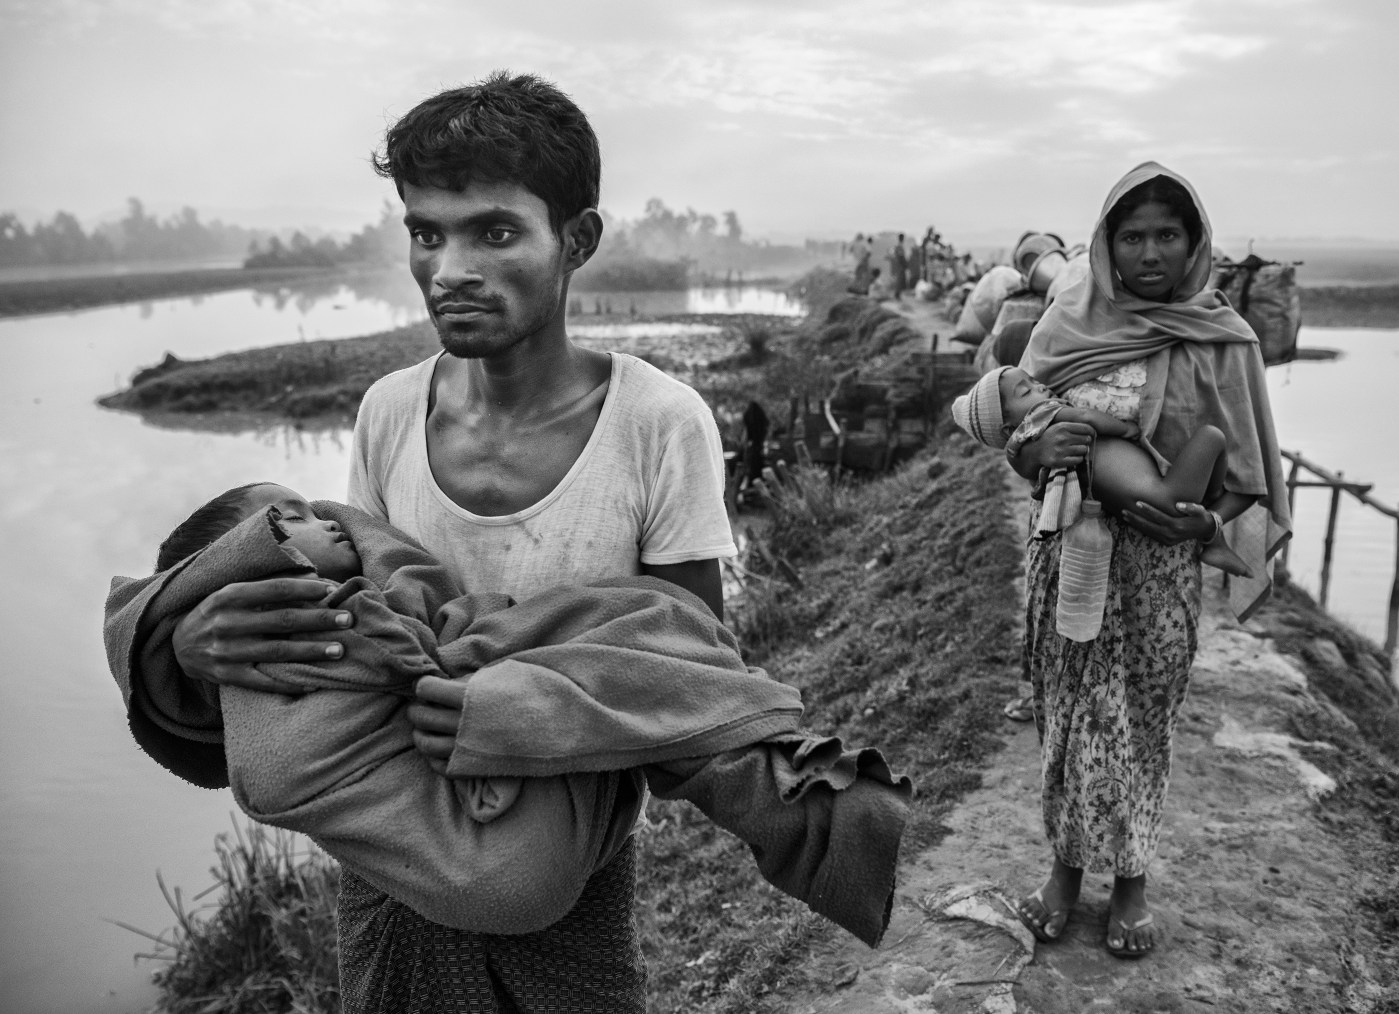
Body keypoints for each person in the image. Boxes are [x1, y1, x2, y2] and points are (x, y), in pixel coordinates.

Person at [126, 72, 739, 1011]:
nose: (449, 269)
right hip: (391, 872)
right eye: (425, 234)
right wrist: (196, 644)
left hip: (562, 871)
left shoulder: (657, 424)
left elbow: (693, 674)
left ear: (577, 240)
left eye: (494, 233)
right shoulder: (388, 412)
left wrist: (530, 710)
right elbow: (353, 622)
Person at [107, 482, 908, 948]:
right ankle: (804, 805)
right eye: (302, 517)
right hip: (473, 859)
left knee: (627, 643)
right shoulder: (299, 636)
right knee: (628, 625)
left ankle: (798, 806)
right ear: (267, 547)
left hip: (519, 868)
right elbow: (407, 663)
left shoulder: (656, 419)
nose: (335, 519)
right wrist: (180, 638)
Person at [1002, 163, 1290, 959]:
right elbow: (1017, 433)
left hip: (1161, 571)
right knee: (1067, 716)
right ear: (1108, 245)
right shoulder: (1067, 321)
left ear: (1195, 244)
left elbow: (1246, 475)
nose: (1151, 252)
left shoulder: (1223, 338)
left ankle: (1130, 882)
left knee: (1142, 722)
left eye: (1168, 235)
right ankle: (1064, 873)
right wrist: (1037, 452)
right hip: (1072, 551)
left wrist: (1206, 520)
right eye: (1133, 236)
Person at [951, 365, 1254, 576]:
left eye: (1032, 379)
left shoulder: (1028, 441)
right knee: (1213, 436)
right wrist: (1126, 429)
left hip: (1153, 504)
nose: (1039, 385)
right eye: (1025, 391)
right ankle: (1213, 504)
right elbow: (1086, 416)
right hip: (1166, 499)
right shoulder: (1044, 413)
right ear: (1008, 428)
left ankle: (1212, 533)